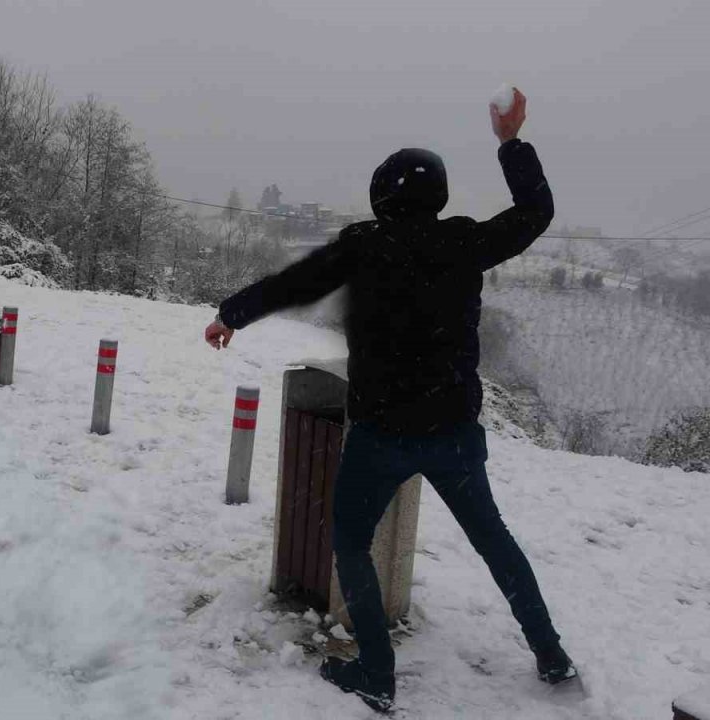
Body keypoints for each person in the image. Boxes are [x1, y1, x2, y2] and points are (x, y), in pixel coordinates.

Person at [204, 89, 575, 713]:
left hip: (379, 435)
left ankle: (376, 672)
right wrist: (511, 142)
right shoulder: (464, 243)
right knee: (497, 543)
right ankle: (551, 655)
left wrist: (230, 315)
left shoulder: (361, 246)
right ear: (438, 197)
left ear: (383, 192)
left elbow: (292, 285)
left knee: (350, 543)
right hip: (453, 433)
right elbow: (536, 212)